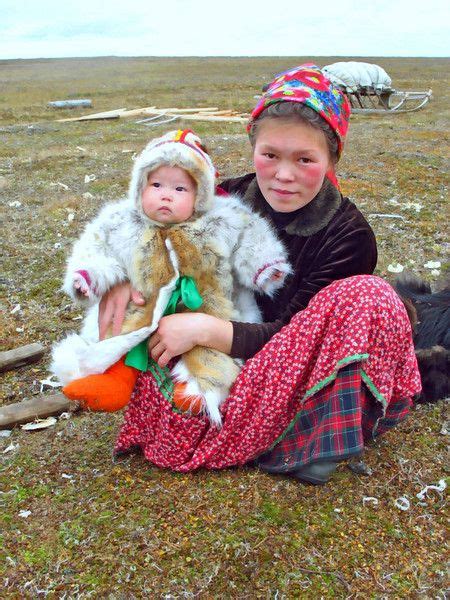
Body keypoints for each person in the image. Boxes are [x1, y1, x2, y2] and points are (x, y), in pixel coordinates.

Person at [102, 64, 421, 484]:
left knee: (370, 296)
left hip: (289, 358)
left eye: (305, 159)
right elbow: (147, 219)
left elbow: (296, 336)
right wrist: (120, 277)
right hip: (217, 355)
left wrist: (203, 329)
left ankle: (316, 437)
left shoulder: (349, 236)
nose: (283, 175)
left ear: (331, 158)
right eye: (270, 155)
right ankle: (257, 423)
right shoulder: (221, 197)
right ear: (253, 147)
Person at [51, 129, 291, 425]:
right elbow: (98, 248)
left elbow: (249, 238)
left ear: (200, 196)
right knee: (121, 330)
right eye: (156, 184)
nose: (166, 194)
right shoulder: (122, 220)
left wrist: (264, 267)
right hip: (144, 303)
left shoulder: (222, 218)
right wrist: (89, 276)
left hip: (203, 306)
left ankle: (202, 387)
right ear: (139, 186)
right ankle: (114, 378)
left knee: (212, 346)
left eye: (180, 189)